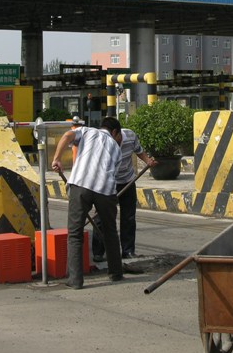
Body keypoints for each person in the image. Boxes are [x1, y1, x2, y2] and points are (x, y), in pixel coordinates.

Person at [51, 116, 124, 289]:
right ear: (114, 132)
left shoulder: (87, 131)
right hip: (105, 190)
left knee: (75, 234)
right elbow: (114, 173)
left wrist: (57, 158)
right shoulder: (116, 149)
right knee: (110, 232)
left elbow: (67, 136)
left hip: (81, 185)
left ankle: (75, 280)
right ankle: (116, 273)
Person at [92, 128, 156, 262]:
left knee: (129, 217)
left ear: (117, 133)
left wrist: (148, 161)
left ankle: (128, 251)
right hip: (107, 182)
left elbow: (139, 151)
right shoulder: (101, 139)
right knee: (102, 217)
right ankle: (98, 252)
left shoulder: (130, 136)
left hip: (127, 180)